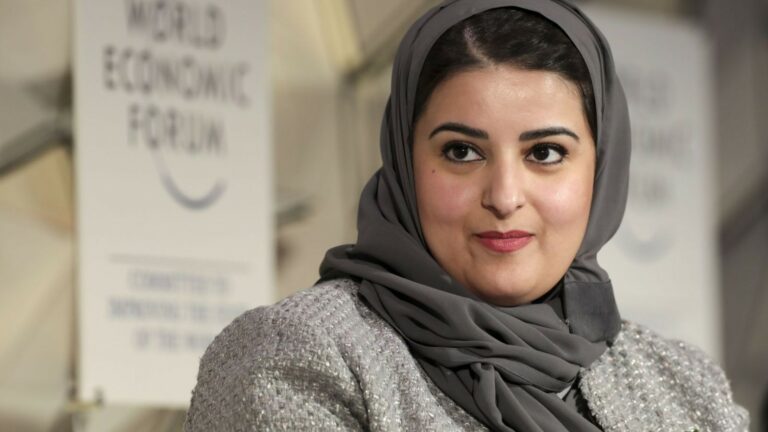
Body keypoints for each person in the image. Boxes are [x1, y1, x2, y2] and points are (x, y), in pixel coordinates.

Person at [184, 1, 749, 431]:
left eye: (545, 153)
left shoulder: (683, 383)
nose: (504, 196)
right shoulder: (300, 355)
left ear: (601, 170)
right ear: (404, 161)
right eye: (461, 151)